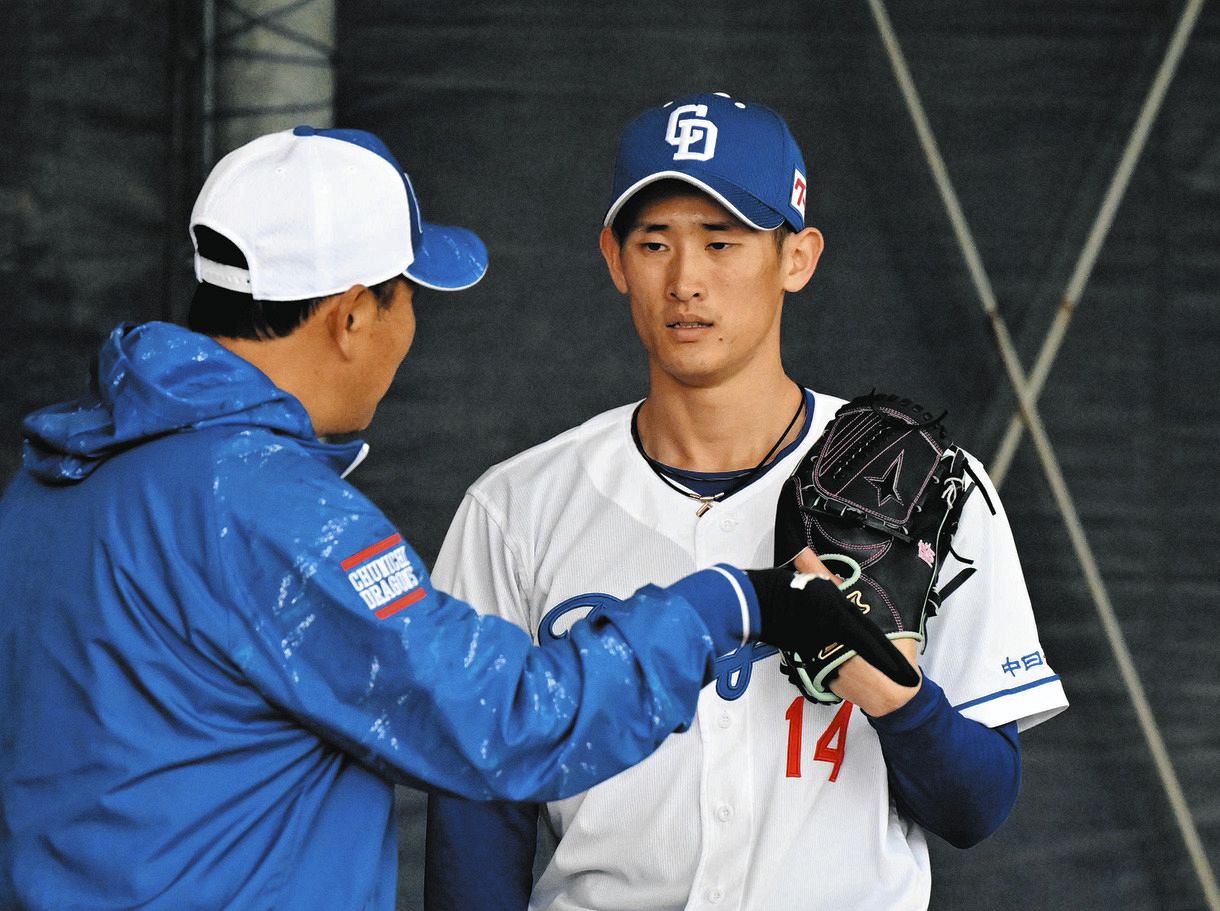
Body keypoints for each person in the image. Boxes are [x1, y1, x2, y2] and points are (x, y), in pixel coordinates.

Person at [0, 125, 913, 910]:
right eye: (409, 298)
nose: (410, 333)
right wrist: (731, 602)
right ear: (354, 314)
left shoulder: (61, 481)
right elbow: (512, 719)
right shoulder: (267, 507)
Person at [424, 92, 1069, 910]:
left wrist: (896, 699)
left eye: (722, 241)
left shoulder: (928, 489)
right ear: (615, 259)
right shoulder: (514, 510)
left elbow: (979, 805)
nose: (686, 280)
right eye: (655, 242)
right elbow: (479, 816)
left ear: (796, 258)